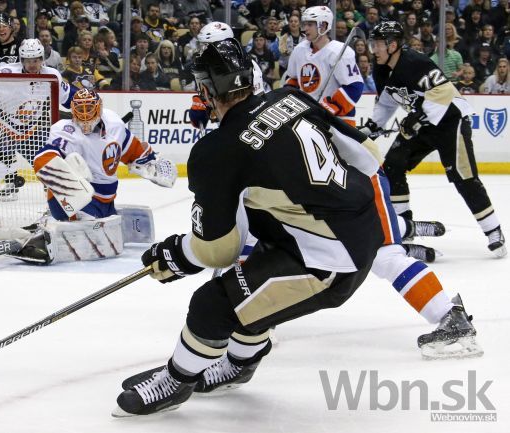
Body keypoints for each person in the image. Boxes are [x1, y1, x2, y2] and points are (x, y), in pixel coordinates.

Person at [113, 37, 481, 417]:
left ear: (206, 90)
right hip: (351, 229)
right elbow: (368, 156)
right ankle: (238, 365)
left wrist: (175, 254)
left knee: (212, 304)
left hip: (329, 262)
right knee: (252, 282)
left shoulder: (216, 152)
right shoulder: (290, 98)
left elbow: (216, 250)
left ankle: (177, 380)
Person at [363, 21, 506, 257]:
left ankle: (493, 231)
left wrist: (417, 117)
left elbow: (443, 91)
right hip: (424, 125)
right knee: (392, 166)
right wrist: (373, 127)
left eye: (377, 44)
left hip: (450, 120)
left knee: (463, 176)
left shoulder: (414, 62)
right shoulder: (381, 69)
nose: (373, 49)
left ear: (393, 45)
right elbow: (388, 101)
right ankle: (404, 226)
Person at [12, 88, 177, 264]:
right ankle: (53, 226)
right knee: (69, 168)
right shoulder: (65, 130)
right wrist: (70, 182)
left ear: (98, 108)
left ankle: (57, 220)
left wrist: (150, 163)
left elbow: (132, 150)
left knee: (105, 222)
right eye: (79, 110)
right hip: (77, 202)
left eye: (88, 109)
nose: (84, 116)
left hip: (106, 202)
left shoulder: (114, 123)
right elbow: (43, 159)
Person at [0, 38, 76, 200]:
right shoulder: (6, 72)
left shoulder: (52, 75)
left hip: (31, 130)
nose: (32, 64)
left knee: (49, 163)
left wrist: (88, 104)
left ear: (42, 59)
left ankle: (63, 201)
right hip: (2, 127)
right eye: (28, 61)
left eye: (36, 60)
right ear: (22, 60)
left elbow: (69, 98)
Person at [282, 6, 364, 126]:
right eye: (305, 24)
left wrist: (331, 107)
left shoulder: (339, 51)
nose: (305, 28)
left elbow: (354, 86)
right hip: (307, 117)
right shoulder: (299, 49)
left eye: (310, 24)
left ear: (323, 26)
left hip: (338, 120)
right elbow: (292, 80)